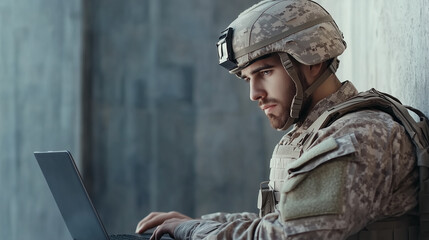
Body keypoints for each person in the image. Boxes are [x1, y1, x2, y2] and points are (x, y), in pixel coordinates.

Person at [135, 0, 419, 239]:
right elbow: (280, 218)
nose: (254, 94)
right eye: (248, 79)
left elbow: (287, 234)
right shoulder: (318, 131)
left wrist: (195, 230)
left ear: (311, 59)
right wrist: (201, 221)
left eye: (265, 72)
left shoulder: (360, 135)